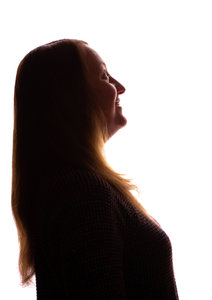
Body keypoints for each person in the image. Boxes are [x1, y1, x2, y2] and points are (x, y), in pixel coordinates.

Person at [11, 39, 179, 299]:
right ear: (71, 97)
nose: (120, 88)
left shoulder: (76, 189)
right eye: (104, 76)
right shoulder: (84, 192)